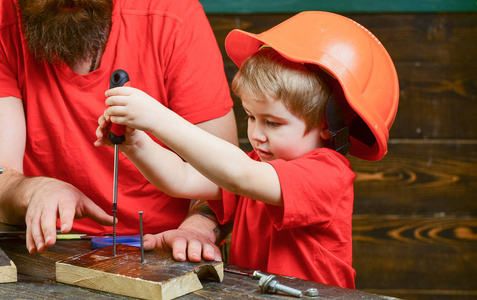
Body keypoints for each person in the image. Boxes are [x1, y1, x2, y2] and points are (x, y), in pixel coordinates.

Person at [95, 11, 399, 288]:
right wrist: (137, 143)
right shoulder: (255, 165)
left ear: (325, 124)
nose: (256, 135)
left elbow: (239, 175)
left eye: (273, 123)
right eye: (251, 117)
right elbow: (183, 178)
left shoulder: (327, 174)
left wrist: (158, 117)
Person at [0, 0, 238, 262]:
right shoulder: (4, 17)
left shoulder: (173, 14)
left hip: (165, 247)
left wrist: (197, 230)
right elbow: (3, 174)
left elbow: (226, 176)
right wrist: (31, 190)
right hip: (44, 245)